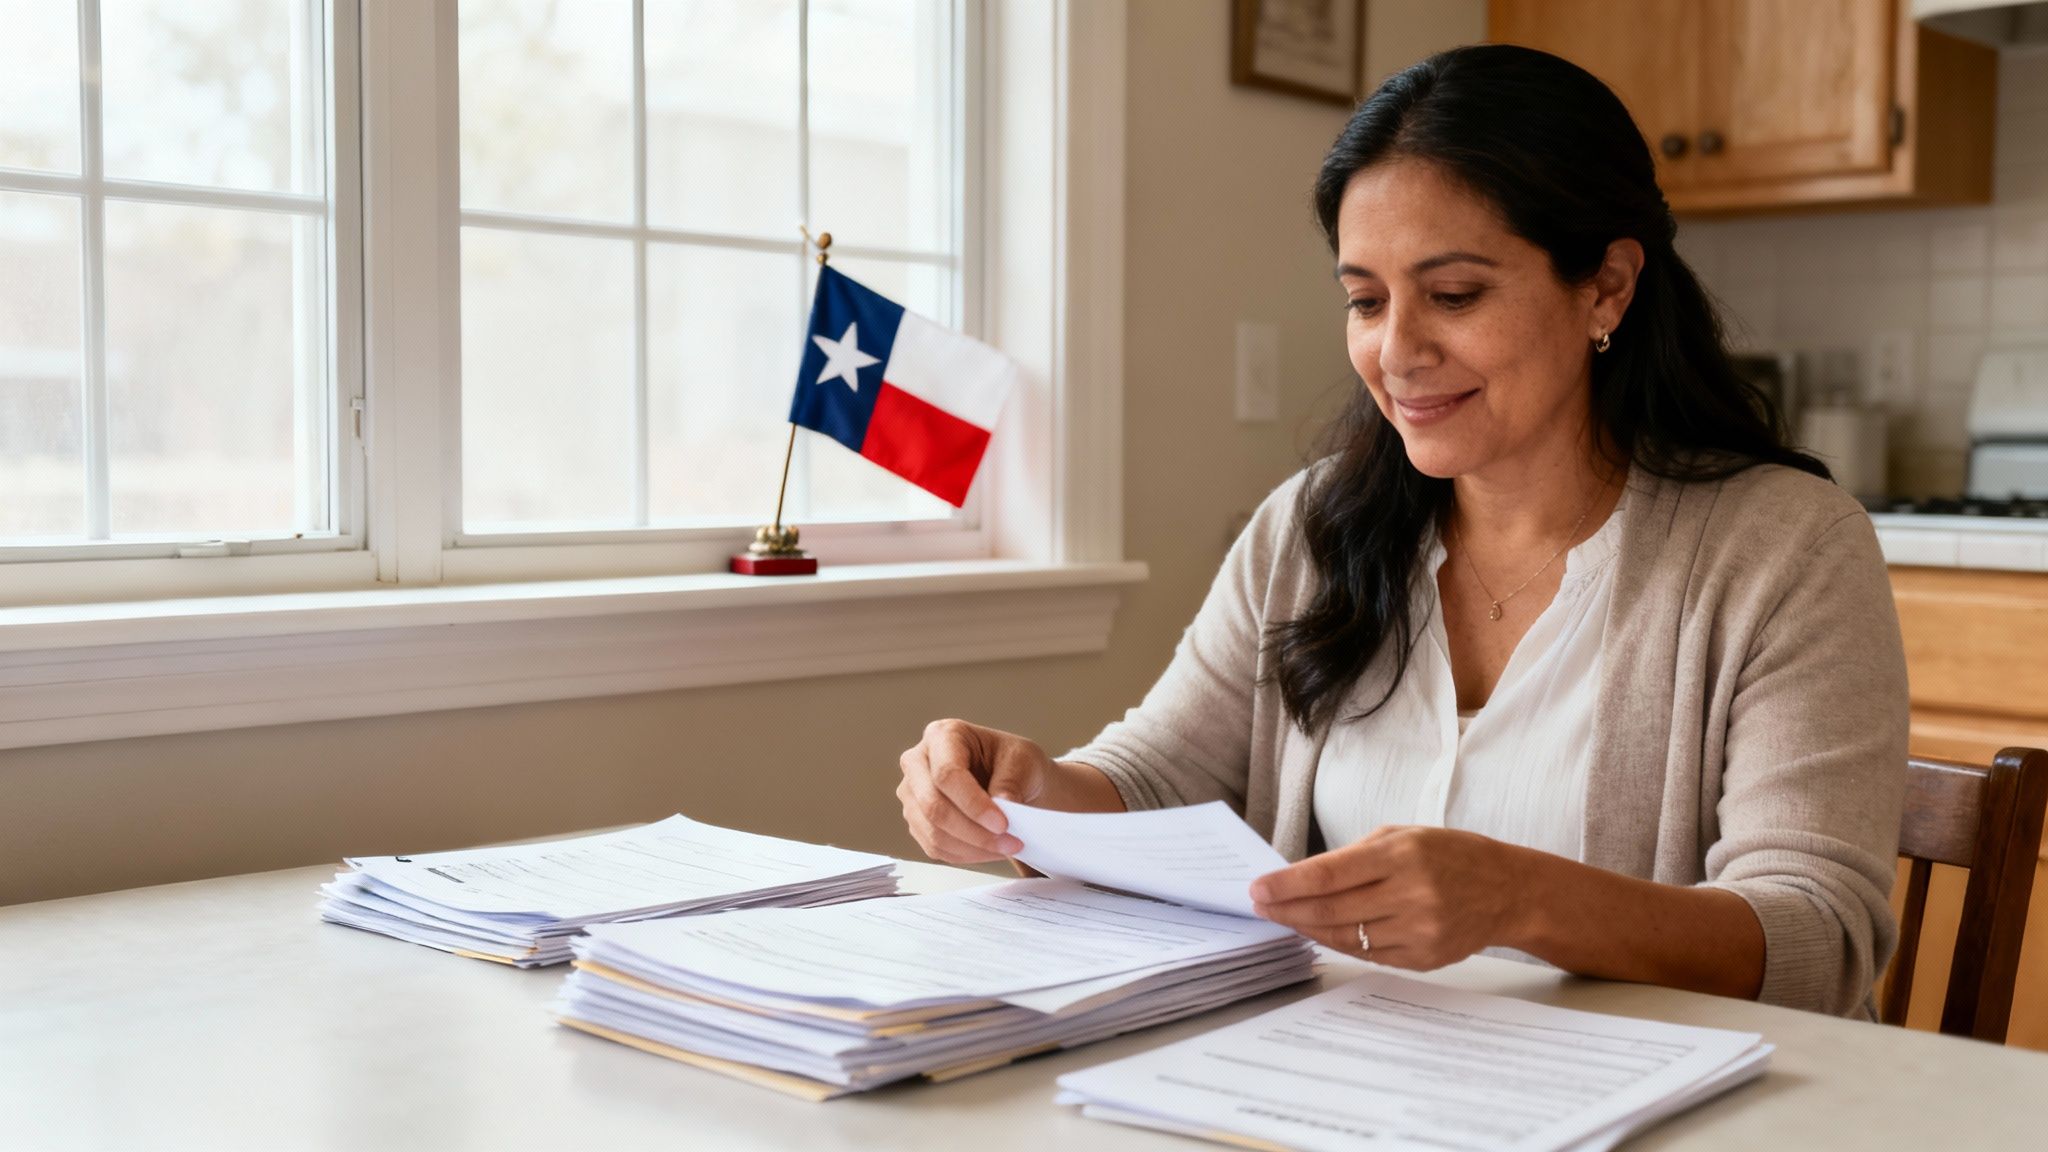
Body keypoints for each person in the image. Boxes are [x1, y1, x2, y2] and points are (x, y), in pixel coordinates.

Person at [894, 44, 1908, 1019]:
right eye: (1364, 300)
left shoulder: (1786, 548)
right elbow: (1161, 773)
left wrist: (1522, 899)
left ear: (1604, 285)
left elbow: (1818, 934)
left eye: (1453, 295)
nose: (1396, 350)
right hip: (1371, 1086)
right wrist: (1031, 795)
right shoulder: (1307, 528)